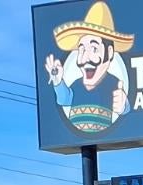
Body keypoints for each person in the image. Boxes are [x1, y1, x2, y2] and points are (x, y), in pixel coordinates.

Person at [43, 2, 134, 135]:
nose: (85, 58)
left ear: (109, 52)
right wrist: (58, 81)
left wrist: (124, 106)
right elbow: (64, 99)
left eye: (94, 48)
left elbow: (126, 110)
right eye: (82, 49)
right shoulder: (76, 84)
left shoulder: (114, 84)